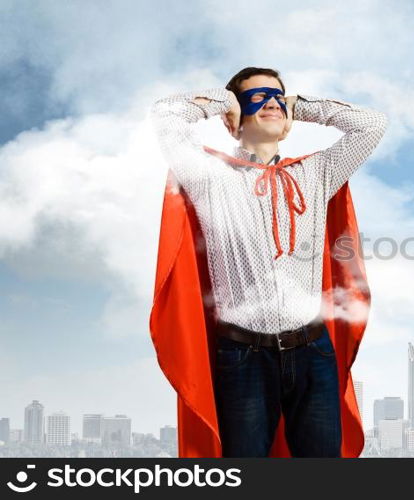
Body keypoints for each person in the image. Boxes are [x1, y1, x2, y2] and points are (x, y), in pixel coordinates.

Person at [149, 66, 387, 457]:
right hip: (243, 357)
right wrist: (222, 100)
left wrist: (305, 106)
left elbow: (372, 125)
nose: (271, 103)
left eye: (278, 96)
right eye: (256, 98)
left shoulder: (317, 172)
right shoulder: (210, 176)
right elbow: (165, 116)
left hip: (313, 351)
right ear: (234, 121)